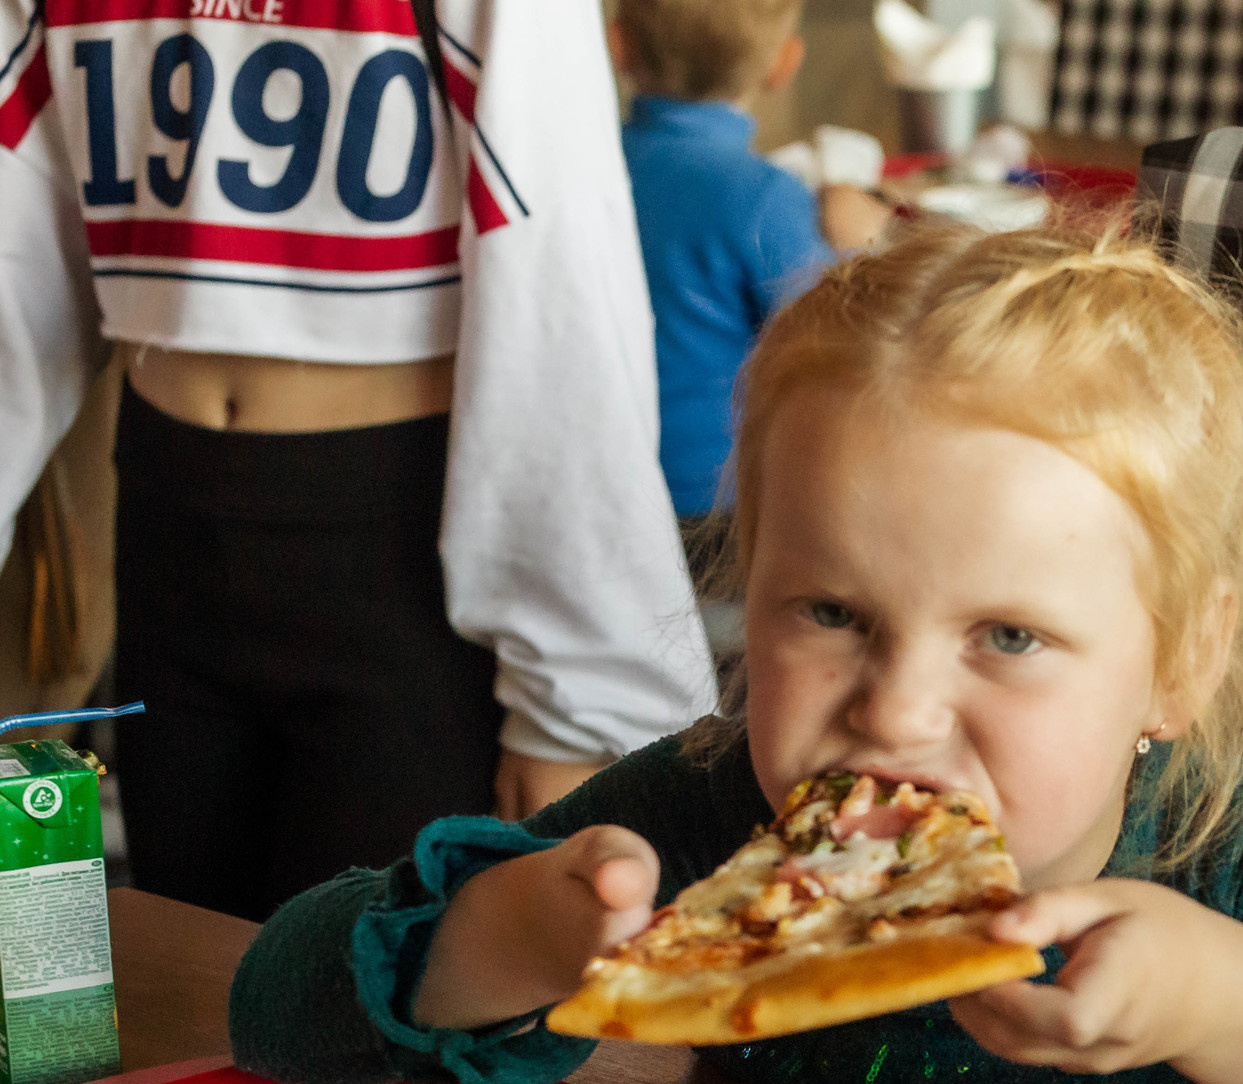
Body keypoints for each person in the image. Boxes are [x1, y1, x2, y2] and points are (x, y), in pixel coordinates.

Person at [227, 221, 1243, 1084]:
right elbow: (271, 1013)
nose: (894, 711)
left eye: (1007, 637)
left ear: (1181, 660)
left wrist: (1235, 1013)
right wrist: (516, 935)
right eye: (831, 614)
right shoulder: (713, 813)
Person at [0, 0, 715, 920]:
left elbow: (558, 273)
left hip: (400, 547)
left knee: (374, 1005)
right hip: (166, 519)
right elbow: (19, 252)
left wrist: (575, 704)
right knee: (193, 971)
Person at [612, 0, 891, 576]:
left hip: (600, 491)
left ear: (618, 47)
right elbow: (837, 334)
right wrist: (861, 244)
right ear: (783, 65)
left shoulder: (588, 170)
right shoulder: (763, 196)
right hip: (712, 514)